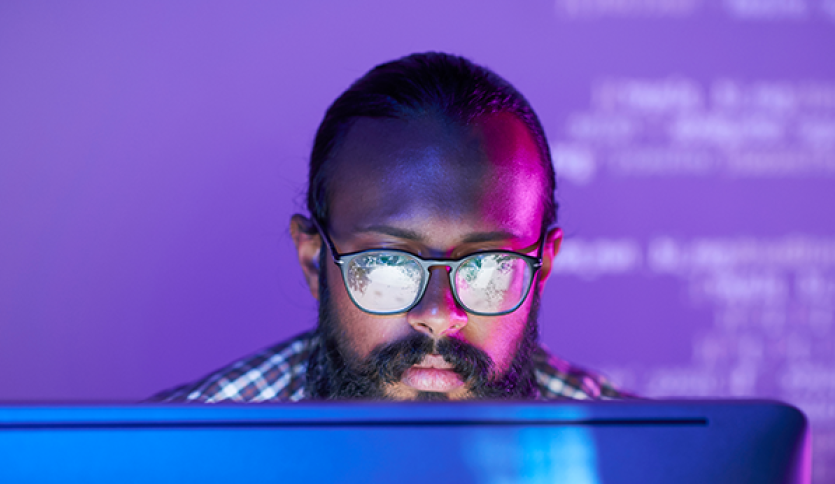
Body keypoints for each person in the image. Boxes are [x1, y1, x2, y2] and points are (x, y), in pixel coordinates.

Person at [151, 52, 624, 402]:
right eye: (386, 264)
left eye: (488, 268)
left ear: (542, 267)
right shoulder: (171, 460)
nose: (438, 315)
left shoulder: (642, 458)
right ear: (314, 261)